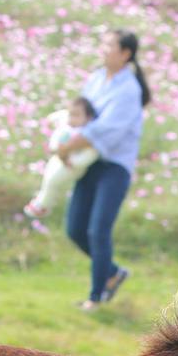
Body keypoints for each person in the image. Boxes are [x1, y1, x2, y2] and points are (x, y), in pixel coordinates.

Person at [54, 29, 150, 310]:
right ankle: (112, 272)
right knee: (75, 229)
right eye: (103, 43)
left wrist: (69, 146)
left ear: (125, 54)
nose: (103, 49)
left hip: (114, 167)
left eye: (110, 45)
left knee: (98, 231)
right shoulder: (96, 78)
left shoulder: (129, 89)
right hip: (89, 161)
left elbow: (106, 130)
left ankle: (95, 298)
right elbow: (83, 114)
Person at [24, 97, 100, 221]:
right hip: (58, 158)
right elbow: (61, 115)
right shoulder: (67, 124)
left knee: (53, 181)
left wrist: (74, 162)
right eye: (71, 115)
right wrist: (49, 120)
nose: (72, 119)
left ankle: (43, 205)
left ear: (88, 118)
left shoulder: (87, 134)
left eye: (76, 116)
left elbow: (91, 154)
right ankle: (41, 199)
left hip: (71, 165)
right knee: (48, 177)